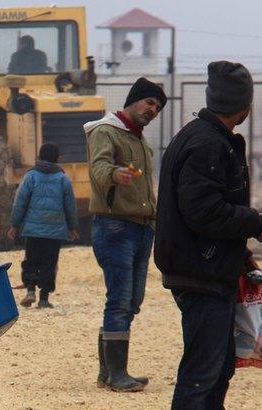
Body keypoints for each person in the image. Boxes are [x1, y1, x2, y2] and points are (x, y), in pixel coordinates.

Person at [155, 61, 262, 410]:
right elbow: (202, 212)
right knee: (201, 369)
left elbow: (204, 210)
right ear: (244, 105)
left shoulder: (211, 139)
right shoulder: (208, 145)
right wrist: (255, 223)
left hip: (211, 266)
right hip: (199, 271)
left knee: (219, 366)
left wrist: (242, 253)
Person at [84, 77, 167, 392]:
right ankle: (117, 373)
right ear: (135, 100)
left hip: (141, 226)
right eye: (150, 103)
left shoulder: (139, 140)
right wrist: (114, 175)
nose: (153, 110)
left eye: (157, 108)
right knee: (120, 299)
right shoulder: (106, 131)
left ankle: (109, 371)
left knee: (131, 300)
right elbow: (99, 167)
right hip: (116, 226)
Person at [8, 142, 79, 309]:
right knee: (49, 263)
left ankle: (30, 290)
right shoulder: (63, 179)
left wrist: (14, 225)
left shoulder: (30, 177)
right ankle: (44, 299)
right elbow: (70, 205)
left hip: (33, 231)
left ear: (39, 157)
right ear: (57, 158)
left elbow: (20, 202)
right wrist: (72, 227)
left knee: (31, 260)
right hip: (54, 232)